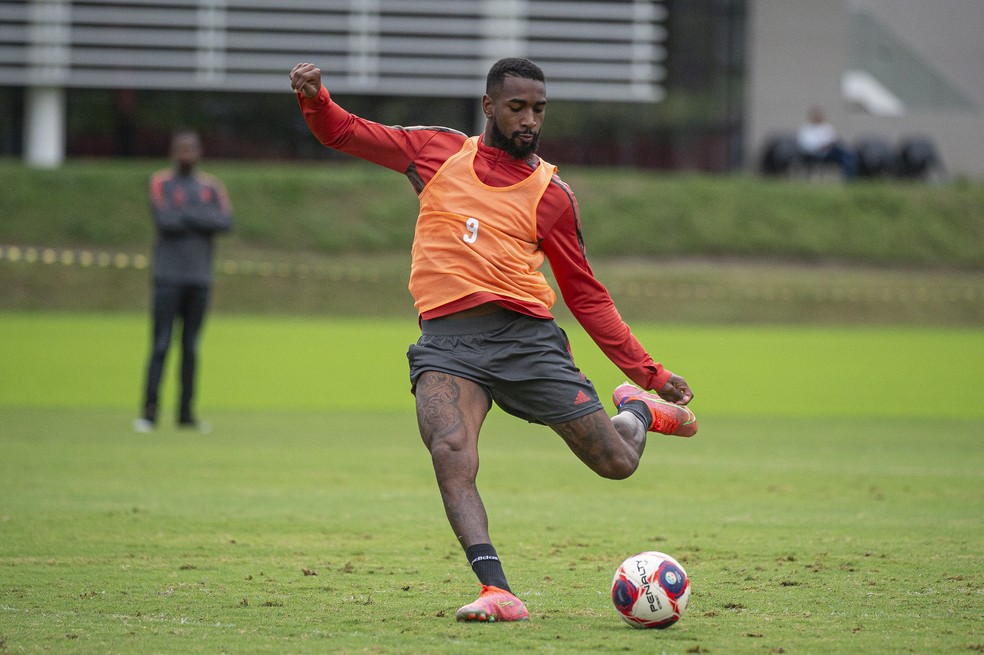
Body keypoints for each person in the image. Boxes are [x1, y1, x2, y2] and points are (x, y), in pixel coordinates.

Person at [289, 58, 698, 623]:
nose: (530, 119)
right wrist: (315, 97)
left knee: (617, 462)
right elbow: (344, 131)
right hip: (447, 344)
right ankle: (495, 589)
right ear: (488, 106)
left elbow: (587, 297)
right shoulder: (436, 152)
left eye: (538, 109)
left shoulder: (551, 194)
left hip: (525, 340)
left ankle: (638, 411)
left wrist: (650, 374)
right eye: (517, 107)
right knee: (451, 452)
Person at [135, 129, 233, 433]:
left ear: (199, 152)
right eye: (181, 148)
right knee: (161, 344)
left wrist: (186, 216)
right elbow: (165, 221)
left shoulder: (211, 186)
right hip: (167, 276)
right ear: (173, 152)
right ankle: (149, 413)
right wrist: (200, 219)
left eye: (191, 148)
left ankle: (186, 413)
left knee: (190, 347)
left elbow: (224, 222)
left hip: (199, 277)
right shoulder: (161, 182)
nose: (186, 154)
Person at [796, 106, 858, 179]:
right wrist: (822, 146)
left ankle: (849, 176)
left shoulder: (827, 127)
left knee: (847, 154)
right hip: (815, 154)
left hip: (831, 152)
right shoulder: (806, 129)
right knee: (843, 152)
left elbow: (836, 139)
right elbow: (806, 145)